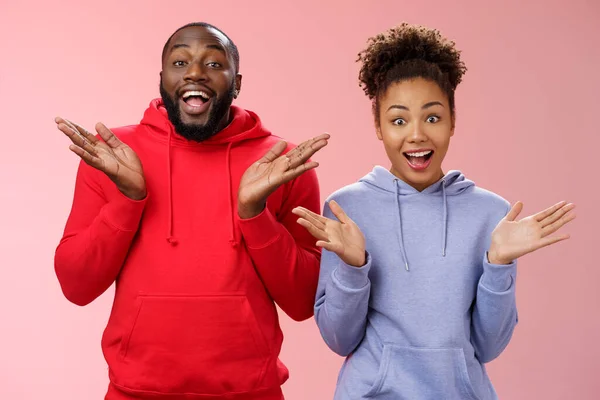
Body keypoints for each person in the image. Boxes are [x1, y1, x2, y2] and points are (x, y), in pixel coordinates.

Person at [292, 23, 575, 400]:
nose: (416, 135)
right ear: (378, 126)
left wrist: (499, 264)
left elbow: (489, 347)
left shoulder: (491, 213)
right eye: (398, 120)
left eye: (432, 117)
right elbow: (339, 340)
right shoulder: (347, 208)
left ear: (453, 121)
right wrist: (353, 266)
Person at [54, 22, 327, 400]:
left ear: (237, 83)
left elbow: (303, 301)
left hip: (251, 392)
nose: (195, 72)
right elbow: (76, 286)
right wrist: (128, 199)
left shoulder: (280, 163)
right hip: (135, 392)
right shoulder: (113, 156)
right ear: (162, 78)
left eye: (214, 64)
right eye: (180, 61)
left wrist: (254, 213)